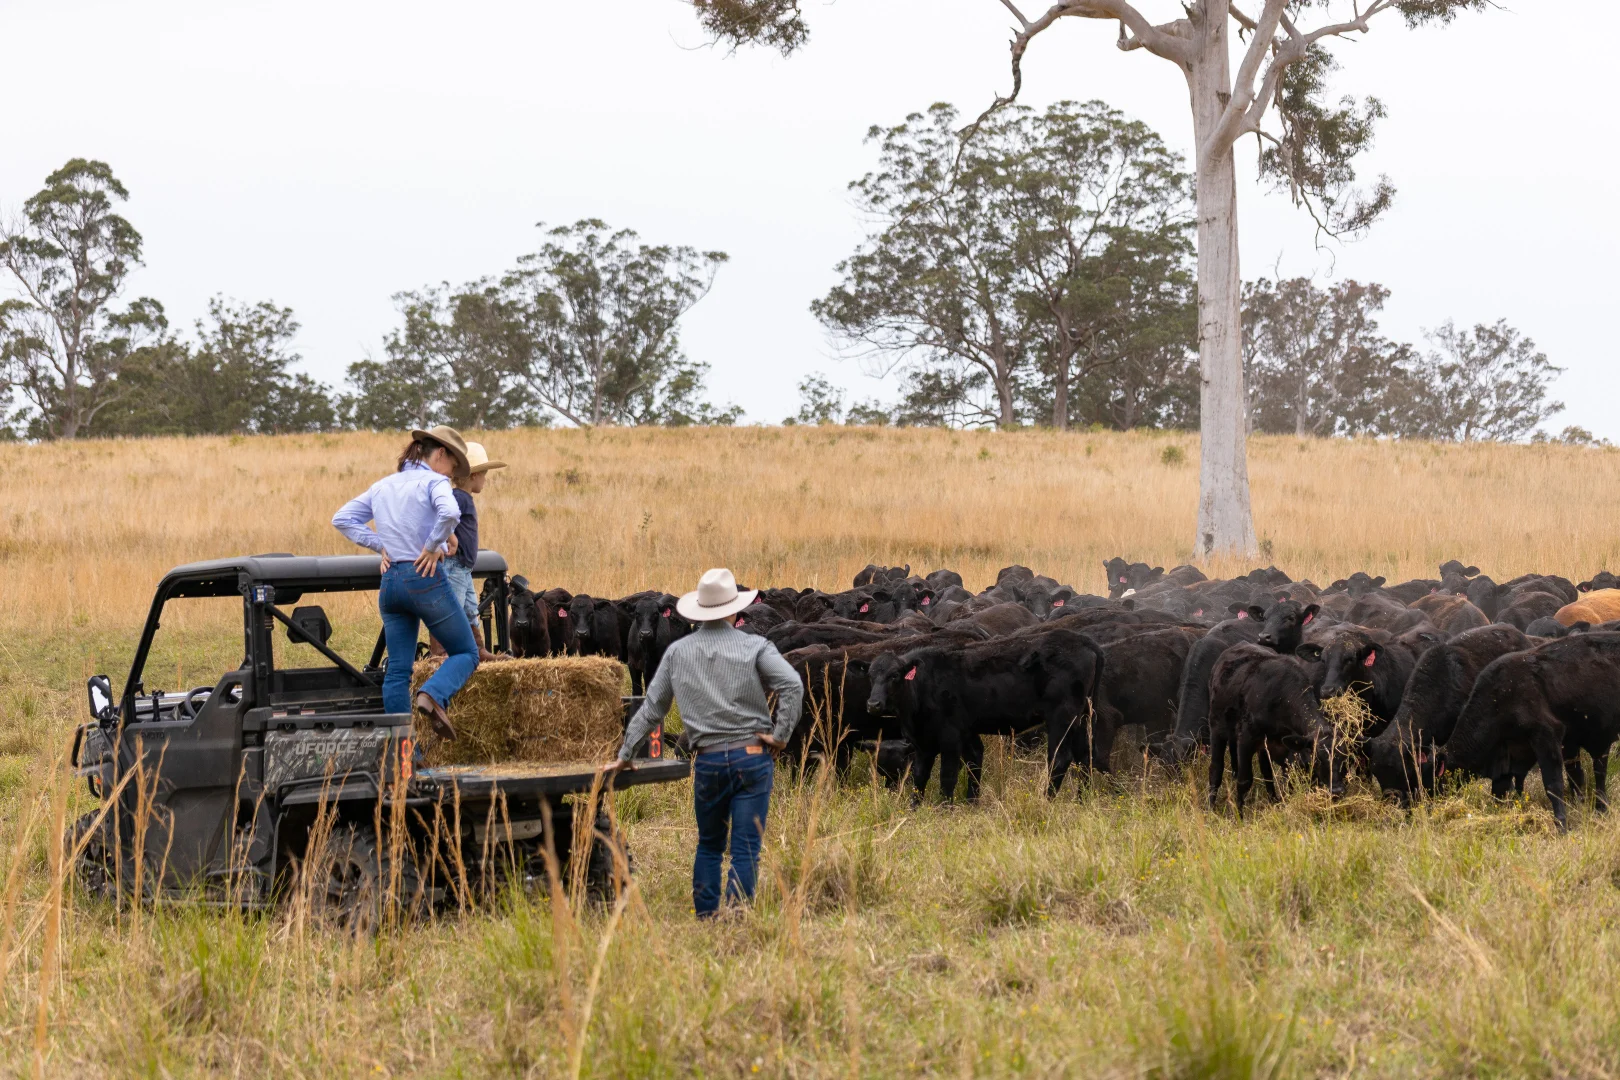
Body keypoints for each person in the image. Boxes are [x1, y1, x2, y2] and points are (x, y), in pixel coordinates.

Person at [606, 568, 803, 918]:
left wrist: (626, 753)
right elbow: (792, 685)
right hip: (752, 756)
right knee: (745, 848)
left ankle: (707, 915)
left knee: (710, 845)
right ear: (735, 611)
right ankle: (738, 912)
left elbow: (652, 708)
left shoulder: (678, 652)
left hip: (708, 759)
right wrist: (781, 735)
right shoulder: (755, 645)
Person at [331, 425, 477, 740]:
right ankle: (433, 694)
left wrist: (380, 545)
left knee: (397, 671)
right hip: (424, 579)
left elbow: (342, 518)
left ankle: (405, 753)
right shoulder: (434, 481)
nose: (451, 475)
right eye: (452, 467)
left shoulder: (382, 485)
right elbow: (450, 512)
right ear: (441, 454)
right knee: (467, 653)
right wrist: (432, 545)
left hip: (391, 583)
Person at [436, 440, 506, 663]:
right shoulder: (458, 498)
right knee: (453, 607)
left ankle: (478, 649)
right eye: (484, 475)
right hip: (455, 564)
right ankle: (441, 653)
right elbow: (443, 518)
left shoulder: (461, 497)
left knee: (469, 608)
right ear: (474, 476)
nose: (485, 480)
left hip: (463, 566)